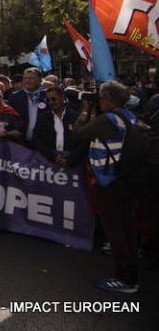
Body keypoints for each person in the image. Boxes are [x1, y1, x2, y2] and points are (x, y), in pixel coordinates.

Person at [72, 80, 140, 293]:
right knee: (126, 228)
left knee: (115, 230)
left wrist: (84, 112)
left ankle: (126, 279)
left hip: (110, 182)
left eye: (101, 98)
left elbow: (78, 133)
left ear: (108, 99)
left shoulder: (108, 119)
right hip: (125, 179)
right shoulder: (127, 115)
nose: (99, 101)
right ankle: (130, 273)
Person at [33, 86, 87, 167]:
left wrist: (70, 159)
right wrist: (53, 157)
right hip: (50, 162)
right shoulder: (42, 118)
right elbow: (38, 140)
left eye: (53, 99)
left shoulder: (76, 117)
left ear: (62, 97)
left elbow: (84, 141)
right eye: (48, 100)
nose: (51, 102)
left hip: (74, 163)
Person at [8, 67, 46, 143]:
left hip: (44, 141)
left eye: (31, 78)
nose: (27, 81)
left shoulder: (47, 95)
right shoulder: (15, 97)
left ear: (39, 80)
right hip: (22, 142)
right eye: (25, 78)